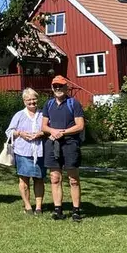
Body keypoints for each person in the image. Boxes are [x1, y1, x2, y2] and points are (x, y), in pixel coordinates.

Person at [42, 76, 85, 221]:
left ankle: (76, 210)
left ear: (66, 88)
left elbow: (80, 125)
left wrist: (63, 132)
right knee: (55, 178)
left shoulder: (74, 103)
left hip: (70, 144)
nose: (58, 89)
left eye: (60, 86)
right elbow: (43, 126)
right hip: (52, 143)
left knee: (73, 178)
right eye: (55, 87)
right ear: (52, 88)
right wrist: (53, 131)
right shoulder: (48, 104)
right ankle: (58, 210)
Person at [6, 88, 45, 215]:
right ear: (24, 101)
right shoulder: (19, 115)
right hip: (23, 151)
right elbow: (9, 131)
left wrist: (40, 133)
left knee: (39, 179)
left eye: (34, 99)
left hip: (39, 151)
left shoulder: (43, 114)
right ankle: (28, 206)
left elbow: (48, 129)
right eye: (29, 100)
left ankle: (39, 207)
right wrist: (20, 133)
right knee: (24, 179)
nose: (32, 102)